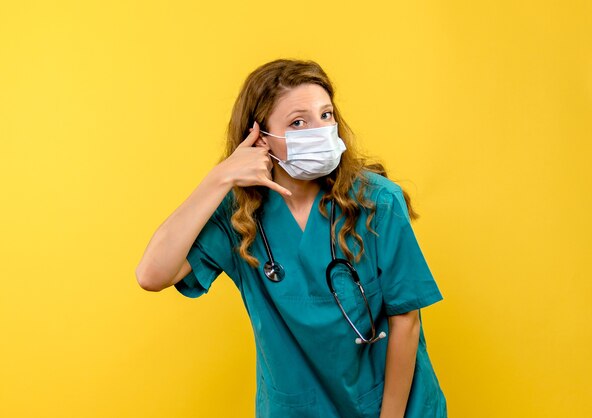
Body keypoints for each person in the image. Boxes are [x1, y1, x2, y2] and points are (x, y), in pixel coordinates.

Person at [136, 58, 447, 418]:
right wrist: (218, 179)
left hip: (390, 406)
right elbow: (151, 274)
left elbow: (405, 320)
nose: (320, 131)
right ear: (260, 138)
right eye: (298, 122)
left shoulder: (377, 201)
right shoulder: (239, 216)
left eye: (326, 115)